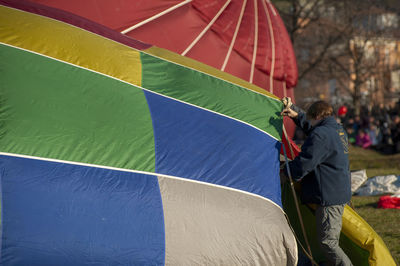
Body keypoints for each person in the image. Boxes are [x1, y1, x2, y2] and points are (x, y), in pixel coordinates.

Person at [280, 98, 352, 266]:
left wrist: (286, 172)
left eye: (311, 117)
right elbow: (314, 129)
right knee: (329, 240)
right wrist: (295, 114)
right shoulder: (337, 129)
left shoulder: (322, 134)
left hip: (329, 196)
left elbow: (306, 161)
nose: (309, 121)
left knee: (329, 243)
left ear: (318, 116)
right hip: (337, 191)